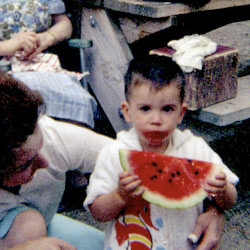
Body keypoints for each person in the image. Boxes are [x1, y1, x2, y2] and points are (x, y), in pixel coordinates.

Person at [84, 55, 239, 249]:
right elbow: (97, 212)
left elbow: (230, 199)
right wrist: (119, 196)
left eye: (167, 109)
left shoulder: (195, 148)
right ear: (127, 111)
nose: (156, 119)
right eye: (145, 109)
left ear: (181, 113)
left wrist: (222, 190)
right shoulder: (114, 153)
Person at [0, 71, 113, 250]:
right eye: (26, 164)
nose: (44, 162)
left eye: (40, 145)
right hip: (18, 232)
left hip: (46, 222)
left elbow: (121, 155)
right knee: (30, 228)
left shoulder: (51, 135)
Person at [0, 0, 97, 129]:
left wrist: (47, 37)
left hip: (40, 64)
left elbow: (63, 23)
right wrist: (8, 46)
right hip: (3, 71)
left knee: (78, 101)